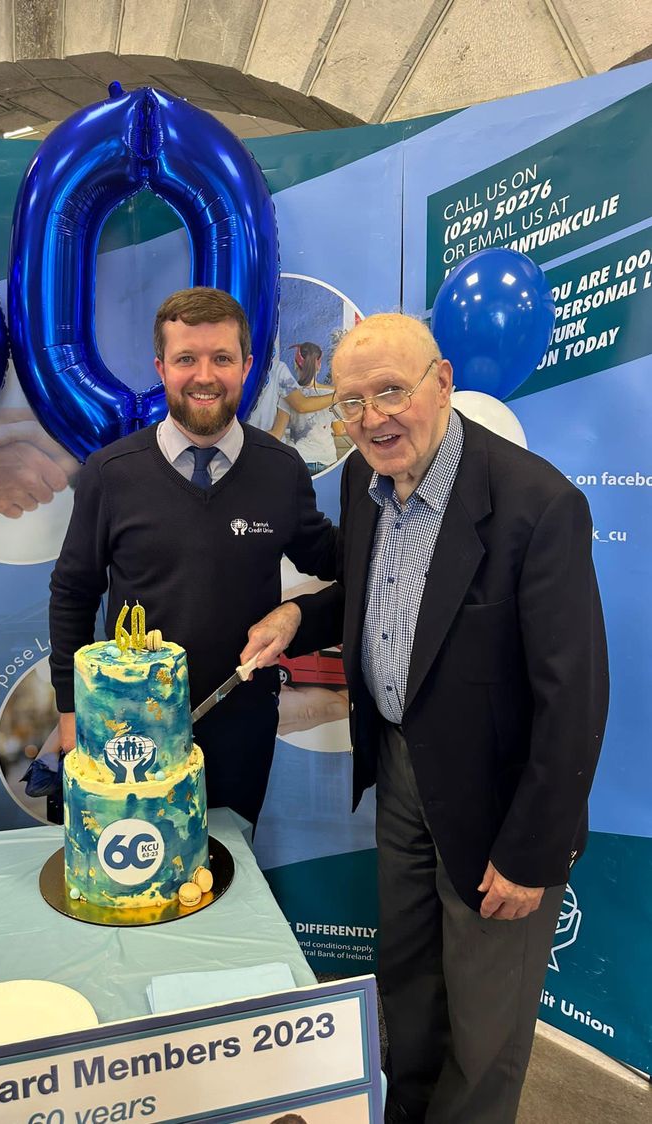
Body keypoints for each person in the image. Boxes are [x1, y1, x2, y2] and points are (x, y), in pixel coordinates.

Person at [242, 313, 608, 1123]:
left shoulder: (535, 504)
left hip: (498, 799)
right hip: (403, 771)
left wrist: (530, 853)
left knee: (484, 1020)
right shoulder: (363, 483)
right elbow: (381, 597)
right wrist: (301, 617)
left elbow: (572, 698)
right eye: (351, 402)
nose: (372, 418)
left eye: (390, 392)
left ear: (441, 384)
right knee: (406, 976)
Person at [48, 287, 337, 826]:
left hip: (242, 728)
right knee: (138, 886)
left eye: (222, 358)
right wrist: (71, 716)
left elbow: (344, 565)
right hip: (128, 732)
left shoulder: (281, 470)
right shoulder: (111, 474)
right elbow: (72, 594)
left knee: (226, 875)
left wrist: (303, 612)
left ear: (247, 367)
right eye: (186, 359)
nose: (204, 376)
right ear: (161, 367)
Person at [273, 343, 339, 474]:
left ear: (296, 364)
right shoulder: (332, 394)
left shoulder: (289, 395)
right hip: (327, 459)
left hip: (298, 458)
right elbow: (340, 429)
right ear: (319, 365)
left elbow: (278, 433)